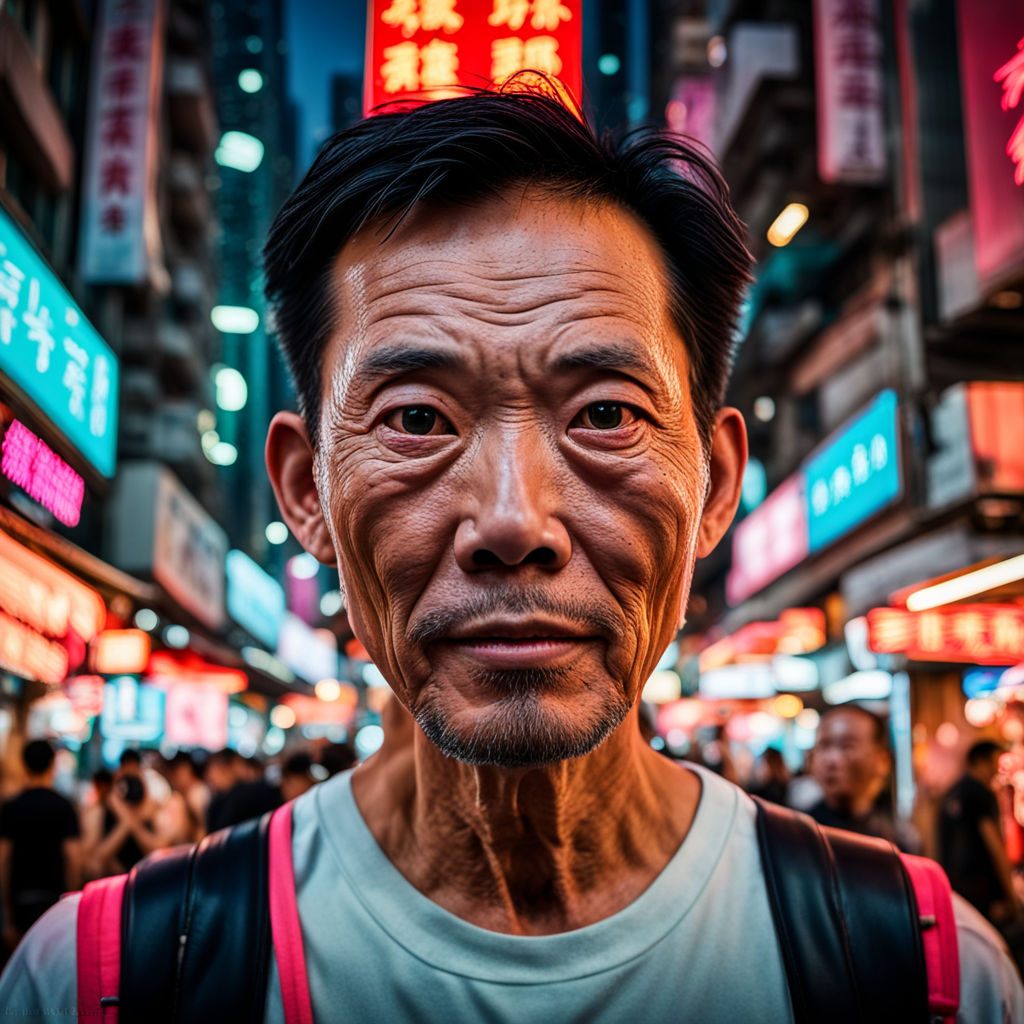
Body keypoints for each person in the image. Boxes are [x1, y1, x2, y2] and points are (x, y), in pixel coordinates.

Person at [1, 86, 1021, 1021]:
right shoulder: (101, 982)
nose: (512, 521)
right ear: (308, 489)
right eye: (416, 418)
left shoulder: (925, 974)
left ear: (711, 485)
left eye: (606, 413)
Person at [0, 740, 80, 950]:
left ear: (24, 765)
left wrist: (6, 914)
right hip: (55, 902)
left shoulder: (11, 806)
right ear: (52, 764)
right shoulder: (64, 805)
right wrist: (71, 902)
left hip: (21, 901)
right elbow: (73, 857)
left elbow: (3, 860)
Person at [807, 704, 919, 852]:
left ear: (882, 761)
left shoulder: (900, 840)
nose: (832, 759)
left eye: (846, 746)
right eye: (824, 746)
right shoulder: (798, 834)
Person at [939, 740, 1020, 925]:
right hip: (983, 889)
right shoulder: (979, 793)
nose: (997, 769)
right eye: (993, 762)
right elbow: (994, 846)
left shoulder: (952, 792)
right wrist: (1011, 898)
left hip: (957, 888)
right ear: (978, 761)